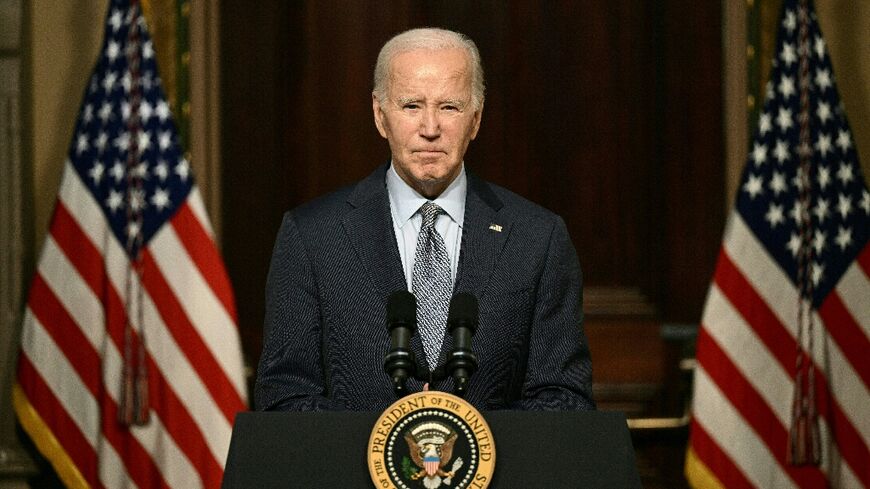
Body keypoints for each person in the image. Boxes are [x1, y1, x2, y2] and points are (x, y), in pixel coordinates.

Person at [254, 27, 594, 412]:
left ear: (476, 119)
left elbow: (566, 399)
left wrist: (468, 443)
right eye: (411, 106)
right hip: (354, 471)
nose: (430, 129)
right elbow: (284, 395)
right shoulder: (313, 236)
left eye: (449, 107)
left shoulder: (537, 238)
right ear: (380, 116)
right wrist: (387, 445)